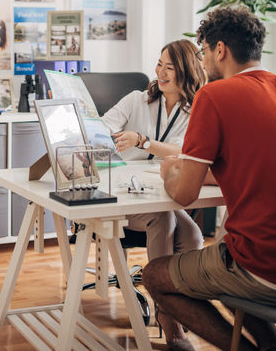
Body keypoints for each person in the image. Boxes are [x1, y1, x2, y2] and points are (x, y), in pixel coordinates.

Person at [142, 6, 276, 351]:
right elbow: (259, 166)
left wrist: (170, 170)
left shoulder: (213, 95)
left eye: (203, 52)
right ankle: (275, 348)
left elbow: (184, 194)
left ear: (219, 50)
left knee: (154, 276)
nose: (202, 63)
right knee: (226, 259)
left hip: (267, 272)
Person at [101, 39, 206, 349]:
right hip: (126, 196)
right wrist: (115, 138)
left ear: (185, 73)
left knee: (194, 237)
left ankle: (180, 306)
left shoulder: (193, 111)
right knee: (165, 221)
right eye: (159, 64)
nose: (160, 72)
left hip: (164, 195)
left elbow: (187, 150)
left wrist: (142, 141)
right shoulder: (136, 100)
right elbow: (102, 126)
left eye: (169, 68)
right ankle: (169, 320)